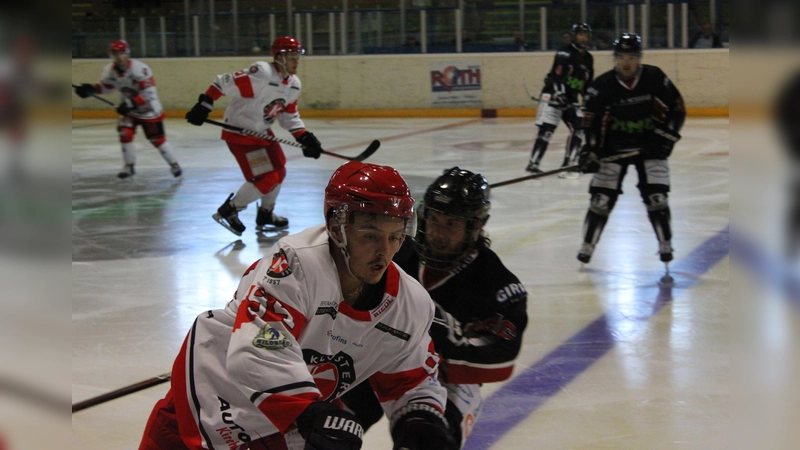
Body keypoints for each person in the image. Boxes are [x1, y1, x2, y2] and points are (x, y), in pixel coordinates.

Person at [139, 161, 455, 450]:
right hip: (207, 404)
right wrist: (312, 411)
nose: (383, 253)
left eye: (395, 236)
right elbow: (261, 345)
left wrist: (421, 420)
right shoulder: (295, 264)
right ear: (337, 225)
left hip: (283, 424)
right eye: (370, 235)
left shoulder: (411, 304)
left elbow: (412, 378)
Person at [341, 167, 528, 449]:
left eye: (451, 224)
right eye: (434, 220)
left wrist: (427, 325)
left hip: (444, 380)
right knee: (325, 431)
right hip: (375, 357)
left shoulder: (497, 284)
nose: (438, 233)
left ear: (476, 227)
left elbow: (500, 358)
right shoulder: (397, 252)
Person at [184, 36, 324, 236]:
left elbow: (288, 116)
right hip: (240, 134)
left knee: (280, 169)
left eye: (297, 56)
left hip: (262, 132)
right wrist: (205, 103)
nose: (296, 61)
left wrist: (305, 137)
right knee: (267, 178)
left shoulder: (293, 85)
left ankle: (265, 213)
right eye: (292, 56)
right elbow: (223, 82)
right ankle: (229, 210)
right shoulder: (262, 74)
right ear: (280, 57)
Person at [577, 33, 686, 265]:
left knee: (657, 197)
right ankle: (587, 244)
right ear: (615, 58)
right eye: (622, 57)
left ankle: (665, 243)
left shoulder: (654, 77)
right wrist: (591, 150)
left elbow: (677, 108)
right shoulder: (602, 84)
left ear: (640, 58)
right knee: (600, 200)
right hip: (613, 147)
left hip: (650, 145)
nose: (627, 62)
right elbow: (590, 121)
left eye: (632, 57)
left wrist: (665, 138)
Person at [74, 40, 182, 179]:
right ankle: (129, 166)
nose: (119, 57)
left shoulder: (141, 69)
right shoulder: (109, 71)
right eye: (116, 54)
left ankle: (174, 165)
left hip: (149, 110)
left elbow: (149, 95)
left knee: (157, 139)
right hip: (129, 109)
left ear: (127, 53)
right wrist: (92, 89)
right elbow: (107, 87)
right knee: (125, 133)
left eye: (122, 53)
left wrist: (130, 104)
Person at [526, 23, 594, 178]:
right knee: (546, 131)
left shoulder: (589, 58)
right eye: (580, 34)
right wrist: (560, 94)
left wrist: (589, 99)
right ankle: (533, 163)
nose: (583, 38)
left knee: (579, 128)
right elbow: (557, 76)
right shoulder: (564, 52)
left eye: (585, 35)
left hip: (570, 99)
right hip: (552, 96)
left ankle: (569, 164)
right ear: (574, 36)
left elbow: (587, 83)